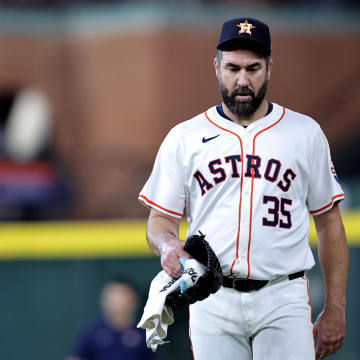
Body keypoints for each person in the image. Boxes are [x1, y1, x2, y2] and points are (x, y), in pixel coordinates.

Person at [138, 17, 348, 360]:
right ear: (216, 67)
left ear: (269, 68)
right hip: (213, 297)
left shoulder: (305, 133)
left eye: (253, 68)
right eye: (233, 68)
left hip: (284, 295)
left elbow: (329, 224)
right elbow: (159, 221)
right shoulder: (184, 137)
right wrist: (167, 245)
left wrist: (336, 308)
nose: (243, 80)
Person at [66, 277, 157, 360]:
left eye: (122, 294)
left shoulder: (146, 334)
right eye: (112, 295)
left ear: (133, 299)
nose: (116, 300)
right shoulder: (92, 332)